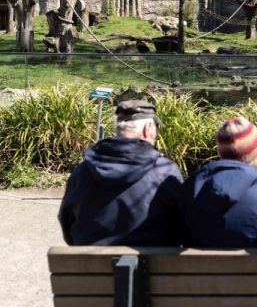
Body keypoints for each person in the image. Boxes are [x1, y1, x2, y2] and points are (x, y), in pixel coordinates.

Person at [181, 116, 257, 307]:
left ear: (220, 151)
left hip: (195, 292)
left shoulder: (189, 189)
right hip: (253, 295)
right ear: (255, 152)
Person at [58, 100, 184, 246]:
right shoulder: (165, 171)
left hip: (89, 265)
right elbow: (181, 223)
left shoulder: (83, 170)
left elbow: (66, 219)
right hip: (151, 265)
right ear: (148, 128)